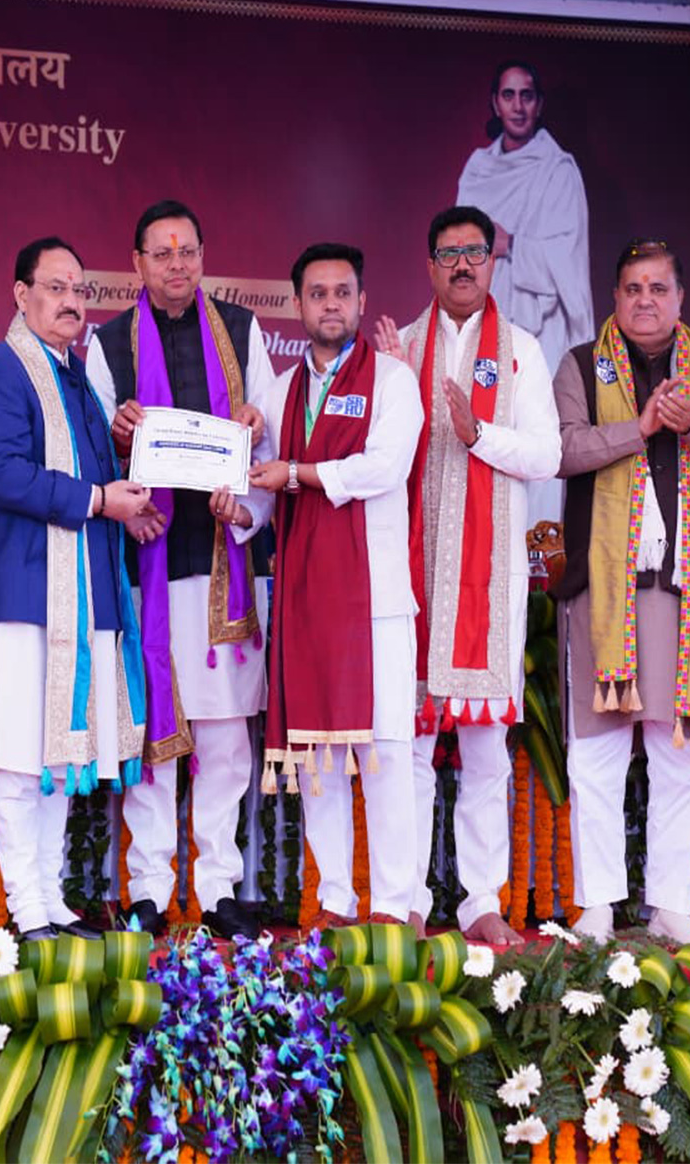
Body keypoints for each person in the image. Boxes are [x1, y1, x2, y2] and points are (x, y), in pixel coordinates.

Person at [554, 238, 690, 947]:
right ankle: (598, 906)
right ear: (614, 297)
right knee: (598, 754)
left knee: (683, 753)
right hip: (602, 588)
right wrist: (638, 428)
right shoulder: (582, 364)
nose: (645, 299)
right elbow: (563, 450)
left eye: (658, 288)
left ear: (680, 298)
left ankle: (671, 903)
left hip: (682, 590)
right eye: (632, 287)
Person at [86, 200, 274, 941]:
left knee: (225, 737)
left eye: (187, 251)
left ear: (203, 256)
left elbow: (268, 443)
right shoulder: (109, 344)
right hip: (149, 562)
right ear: (136, 262)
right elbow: (90, 450)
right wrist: (117, 434)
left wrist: (254, 447)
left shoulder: (241, 331)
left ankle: (220, 887)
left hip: (226, 559)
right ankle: (150, 888)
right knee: (153, 738)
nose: (176, 264)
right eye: (161, 253)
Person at [375, 205, 560, 944]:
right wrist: (389, 381)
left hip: (488, 583)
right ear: (429, 265)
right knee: (413, 747)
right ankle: (408, 897)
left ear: (492, 263)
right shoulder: (402, 347)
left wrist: (477, 433)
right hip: (414, 578)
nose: (462, 265)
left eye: (475, 252)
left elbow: (546, 455)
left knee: (486, 751)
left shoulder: (523, 352)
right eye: (449, 253)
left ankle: (481, 899)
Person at [0, 237, 154, 941]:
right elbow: (4, 475)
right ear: (21, 294)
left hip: (84, 595)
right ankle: (24, 908)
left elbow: (96, 481)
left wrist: (127, 501)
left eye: (80, 289)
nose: (72, 302)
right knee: (19, 759)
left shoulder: (77, 380)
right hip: (23, 594)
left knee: (59, 757)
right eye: (56, 287)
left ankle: (50, 902)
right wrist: (101, 501)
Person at [230, 243, 423, 926]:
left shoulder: (394, 381)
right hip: (306, 598)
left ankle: (395, 906)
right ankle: (337, 900)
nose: (331, 304)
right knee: (318, 754)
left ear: (362, 301)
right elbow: (262, 491)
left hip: (376, 600)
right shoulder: (279, 393)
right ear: (298, 305)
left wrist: (297, 474)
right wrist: (238, 510)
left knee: (386, 753)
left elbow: (383, 468)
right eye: (318, 293)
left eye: (343, 292)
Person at [456, 60, 593, 380]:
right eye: (509, 95)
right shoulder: (477, 170)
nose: (518, 107)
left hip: (544, 329)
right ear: (496, 104)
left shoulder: (558, 171)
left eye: (526, 96)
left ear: (538, 104)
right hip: (486, 320)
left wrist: (513, 246)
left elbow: (569, 263)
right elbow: (455, 251)